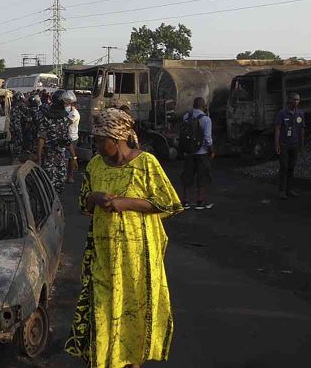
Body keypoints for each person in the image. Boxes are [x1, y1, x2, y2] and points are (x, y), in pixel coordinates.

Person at [65, 108, 183, 368]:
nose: (95, 144)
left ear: (116, 138)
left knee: (135, 309)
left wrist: (126, 203)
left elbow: (169, 203)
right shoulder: (95, 165)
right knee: (103, 309)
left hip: (138, 258)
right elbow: (84, 204)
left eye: (99, 139)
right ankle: (105, 360)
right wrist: (94, 198)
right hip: (103, 255)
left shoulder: (146, 163)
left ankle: (131, 361)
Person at [181, 97, 214, 210]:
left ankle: (185, 201)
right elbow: (207, 138)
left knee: (187, 176)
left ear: (193, 105)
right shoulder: (206, 119)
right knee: (202, 177)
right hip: (202, 153)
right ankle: (200, 202)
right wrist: (211, 150)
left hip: (189, 152)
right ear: (203, 106)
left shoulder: (186, 117)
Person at [37, 90, 72, 195]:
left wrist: (74, 157)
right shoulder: (46, 117)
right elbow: (41, 139)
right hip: (49, 159)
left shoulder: (65, 119)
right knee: (48, 188)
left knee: (59, 186)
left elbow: (67, 141)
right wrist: (38, 158)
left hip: (60, 159)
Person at [274, 92, 305, 199]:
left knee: (292, 167)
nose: (296, 102)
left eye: (298, 100)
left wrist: (301, 144)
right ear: (289, 100)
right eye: (294, 99)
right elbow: (277, 129)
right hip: (284, 144)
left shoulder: (300, 113)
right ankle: (281, 191)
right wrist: (277, 144)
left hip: (294, 144)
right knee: (284, 167)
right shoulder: (282, 113)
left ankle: (289, 189)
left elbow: (301, 129)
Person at [64, 90, 80, 183]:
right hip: (69, 136)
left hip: (72, 138)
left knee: (68, 158)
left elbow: (66, 123)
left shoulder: (74, 113)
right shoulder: (68, 111)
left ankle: (68, 177)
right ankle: (68, 177)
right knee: (68, 158)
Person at [9, 93, 26, 163]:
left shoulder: (16, 108)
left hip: (15, 130)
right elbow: (16, 123)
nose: (22, 103)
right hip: (16, 130)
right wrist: (19, 134)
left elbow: (23, 116)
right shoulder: (15, 109)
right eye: (21, 101)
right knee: (18, 144)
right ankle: (16, 159)